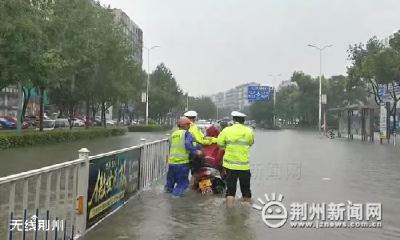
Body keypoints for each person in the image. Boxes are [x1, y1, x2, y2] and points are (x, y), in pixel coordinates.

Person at [217, 111, 254, 207]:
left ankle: (229, 216)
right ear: (243, 120)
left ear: (233, 120)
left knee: (230, 192)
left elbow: (219, 143)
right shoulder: (249, 131)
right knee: (246, 192)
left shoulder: (227, 130)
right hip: (244, 166)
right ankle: (246, 217)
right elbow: (251, 142)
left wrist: (227, 146)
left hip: (230, 166)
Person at [165, 117, 202, 197]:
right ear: (185, 125)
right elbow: (188, 144)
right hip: (182, 164)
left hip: (171, 163)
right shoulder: (187, 134)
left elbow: (171, 147)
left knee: (169, 185)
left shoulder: (173, 134)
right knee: (183, 183)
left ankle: (166, 202)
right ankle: (175, 201)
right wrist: (196, 151)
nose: (189, 126)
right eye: (189, 125)